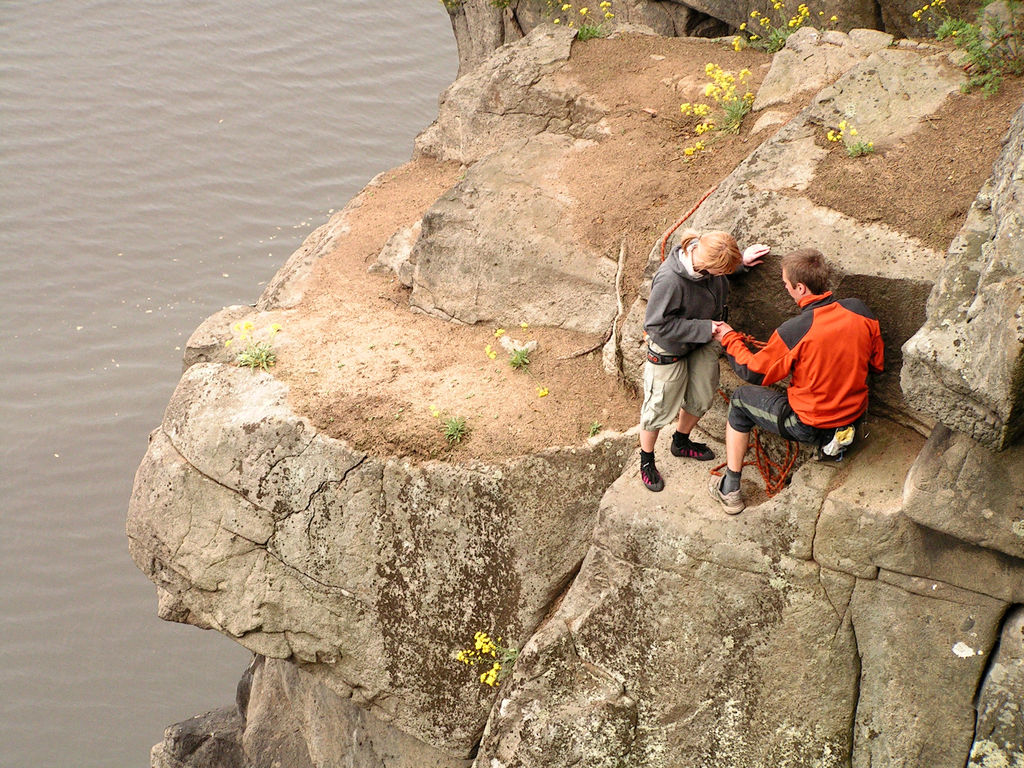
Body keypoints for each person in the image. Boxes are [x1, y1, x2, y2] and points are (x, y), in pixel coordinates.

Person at [708, 247, 884, 514]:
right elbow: (877, 364)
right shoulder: (861, 311)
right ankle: (834, 445)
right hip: (853, 416)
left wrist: (729, 338)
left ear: (800, 288)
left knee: (741, 400)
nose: (786, 288)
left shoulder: (795, 330)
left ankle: (730, 488)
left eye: (786, 284)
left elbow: (753, 372)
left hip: (809, 424)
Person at [639, 229, 768, 492]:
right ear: (708, 267)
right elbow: (655, 326)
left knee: (702, 396)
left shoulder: (706, 258)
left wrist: (741, 262)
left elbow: (723, 270)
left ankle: (681, 441)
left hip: (703, 341)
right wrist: (706, 328)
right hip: (670, 347)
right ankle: (646, 460)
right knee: (659, 407)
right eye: (723, 271)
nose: (724, 276)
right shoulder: (669, 280)